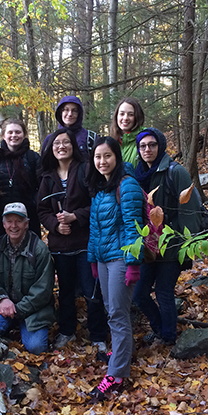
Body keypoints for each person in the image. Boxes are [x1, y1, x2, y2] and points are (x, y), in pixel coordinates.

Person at [38, 128, 108, 351]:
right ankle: (66, 330)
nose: (61, 146)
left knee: (91, 291)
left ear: (73, 146)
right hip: (60, 246)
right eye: (57, 143)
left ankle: (98, 335)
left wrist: (75, 216)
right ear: (51, 148)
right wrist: (56, 225)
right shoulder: (47, 177)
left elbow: (97, 202)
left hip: (85, 243)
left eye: (66, 142)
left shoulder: (86, 170)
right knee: (66, 292)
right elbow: (41, 210)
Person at [133, 128, 203, 345]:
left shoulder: (175, 172)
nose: (147, 149)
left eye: (152, 145)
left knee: (163, 292)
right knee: (139, 294)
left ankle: (169, 338)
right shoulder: (137, 174)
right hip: (149, 246)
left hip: (171, 244)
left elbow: (191, 211)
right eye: (143, 146)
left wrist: (185, 248)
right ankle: (160, 328)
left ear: (160, 146)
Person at [87, 136, 144, 400]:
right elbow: (95, 230)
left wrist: (133, 264)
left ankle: (117, 374)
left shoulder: (127, 185)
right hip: (104, 259)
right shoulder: (101, 188)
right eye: (98, 157)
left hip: (121, 258)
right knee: (111, 310)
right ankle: (120, 353)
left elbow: (134, 227)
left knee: (118, 315)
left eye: (107, 156)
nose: (102, 161)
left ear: (117, 157)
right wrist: (93, 259)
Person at [0, 202, 55, 355]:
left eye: (19, 221)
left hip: (34, 311)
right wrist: (2, 300)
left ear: (27, 223)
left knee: (36, 347)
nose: (14, 226)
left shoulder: (39, 250)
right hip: (4, 305)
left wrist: (18, 309)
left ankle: (17, 325)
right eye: (9, 221)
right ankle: (8, 329)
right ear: (3, 224)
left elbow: (43, 290)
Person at [0, 119, 42, 238]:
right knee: (5, 252)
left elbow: (42, 185)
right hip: (2, 215)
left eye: (18, 132)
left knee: (32, 251)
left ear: (24, 135)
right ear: (3, 135)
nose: (14, 135)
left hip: (29, 215)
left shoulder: (33, 158)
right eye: (10, 132)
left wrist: (33, 203)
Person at [109, 97, 146, 167]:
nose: (125, 118)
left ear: (137, 117)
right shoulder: (111, 142)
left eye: (130, 114)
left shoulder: (145, 138)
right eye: (122, 114)